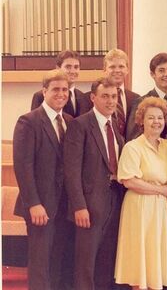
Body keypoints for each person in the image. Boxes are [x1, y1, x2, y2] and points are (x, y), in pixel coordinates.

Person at [14, 69, 74, 290]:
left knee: (58, 261)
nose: (61, 94)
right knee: (40, 263)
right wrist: (34, 204)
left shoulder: (69, 120)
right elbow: (23, 166)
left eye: (65, 90)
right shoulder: (29, 121)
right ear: (44, 91)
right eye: (55, 89)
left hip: (63, 205)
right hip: (40, 205)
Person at [115, 97, 167, 290]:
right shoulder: (133, 147)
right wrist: (161, 189)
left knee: (158, 260)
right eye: (151, 117)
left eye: (160, 117)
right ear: (141, 121)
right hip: (141, 209)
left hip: (164, 210)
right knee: (141, 260)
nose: (156, 122)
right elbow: (129, 180)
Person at [64, 77, 125, 290]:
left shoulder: (114, 126)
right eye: (105, 96)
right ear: (93, 98)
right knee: (85, 264)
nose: (110, 101)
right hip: (89, 206)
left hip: (114, 202)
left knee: (106, 262)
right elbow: (71, 171)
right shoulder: (80, 125)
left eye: (114, 96)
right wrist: (79, 207)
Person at [126, 52, 167, 141]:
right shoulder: (141, 102)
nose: (166, 74)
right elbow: (133, 137)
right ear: (152, 74)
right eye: (161, 70)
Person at [79, 48, 139, 136]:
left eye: (121, 66)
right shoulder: (87, 99)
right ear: (104, 70)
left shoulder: (136, 99)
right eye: (112, 67)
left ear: (127, 70)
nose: (117, 70)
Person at [31, 50, 84, 117]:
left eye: (76, 67)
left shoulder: (83, 97)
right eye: (68, 67)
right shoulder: (41, 96)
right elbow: (35, 122)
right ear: (58, 68)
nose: (73, 71)